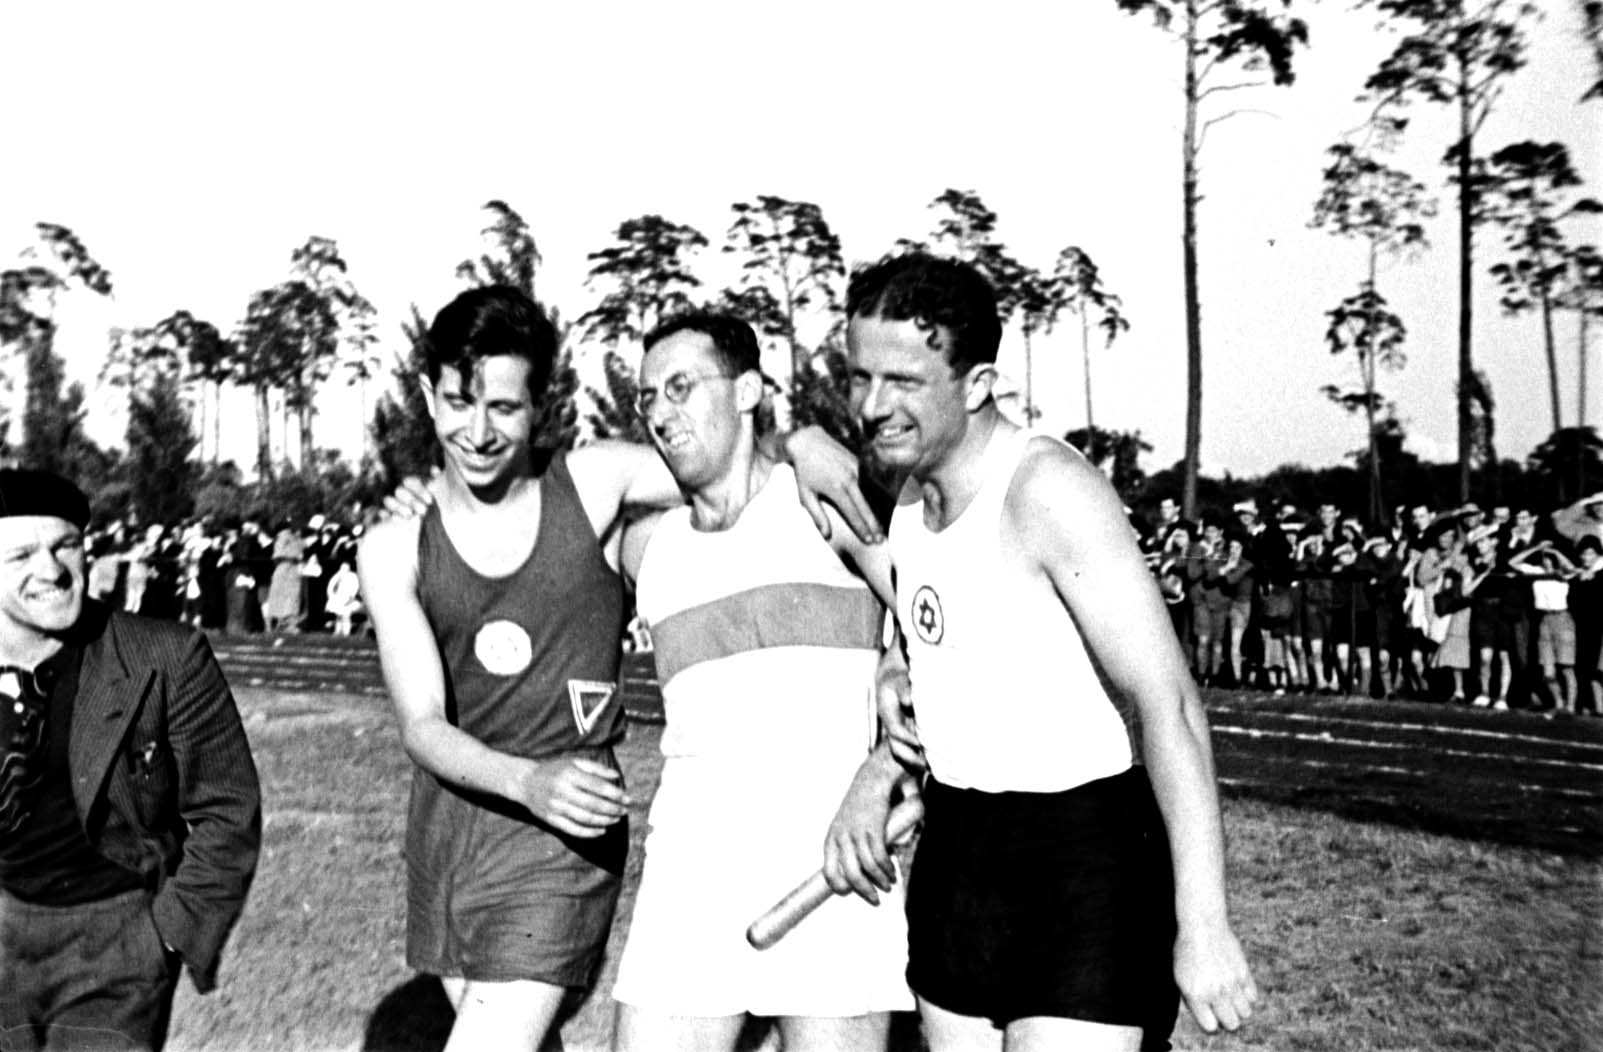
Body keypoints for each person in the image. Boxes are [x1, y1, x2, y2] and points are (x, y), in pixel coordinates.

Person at [359, 285, 876, 1052]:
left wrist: (798, 439)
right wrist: (521, 781)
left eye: (504, 407)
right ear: (429, 399)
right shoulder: (393, 546)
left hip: (565, 822)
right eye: (459, 403)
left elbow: (721, 460)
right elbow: (423, 726)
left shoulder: (595, 483)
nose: (479, 431)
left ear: (540, 406)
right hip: (454, 825)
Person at [826, 254, 1256, 1052]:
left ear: (979, 381)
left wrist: (1204, 928)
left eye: (902, 381)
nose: (871, 406)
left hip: (1080, 858)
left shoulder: (1046, 490)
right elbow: (933, 635)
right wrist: (883, 730)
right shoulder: (911, 501)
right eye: (858, 378)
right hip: (956, 857)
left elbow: (1171, 703)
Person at [609, 311, 913, 1051]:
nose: (659, 413)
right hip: (689, 879)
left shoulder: (825, 509)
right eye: (647, 397)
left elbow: (943, 627)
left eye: (681, 387)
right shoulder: (643, 548)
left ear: (747, 389)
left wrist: (883, 768)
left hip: (835, 872)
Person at [0, 468, 261, 1051]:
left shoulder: (164, 657)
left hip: (115, 942)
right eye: (21, 554)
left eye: (66, 545)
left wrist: (165, 935)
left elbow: (228, 810)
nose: (51, 569)